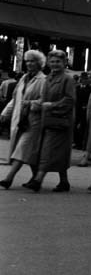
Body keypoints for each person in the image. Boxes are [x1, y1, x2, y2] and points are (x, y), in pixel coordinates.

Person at [25, 50, 76, 193]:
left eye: (58, 61)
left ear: (64, 63)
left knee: (48, 150)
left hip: (60, 120)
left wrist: (52, 105)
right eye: (52, 61)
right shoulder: (48, 78)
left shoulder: (68, 79)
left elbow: (70, 100)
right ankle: (64, 182)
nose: (55, 64)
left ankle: (38, 180)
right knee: (58, 152)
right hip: (47, 119)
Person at [0, 51, 47, 189]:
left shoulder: (43, 80)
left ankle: (9, 178)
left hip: (34, 121)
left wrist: (29, 104)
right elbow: (16, 98)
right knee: (29, 151)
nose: (29, 64)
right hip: (20, 119)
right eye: (27, 61)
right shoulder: (23, 78)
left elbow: (44, 101)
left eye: (32, 61)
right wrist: (6, 112)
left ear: (39, 63)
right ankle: (36, 179)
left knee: (22, 147)